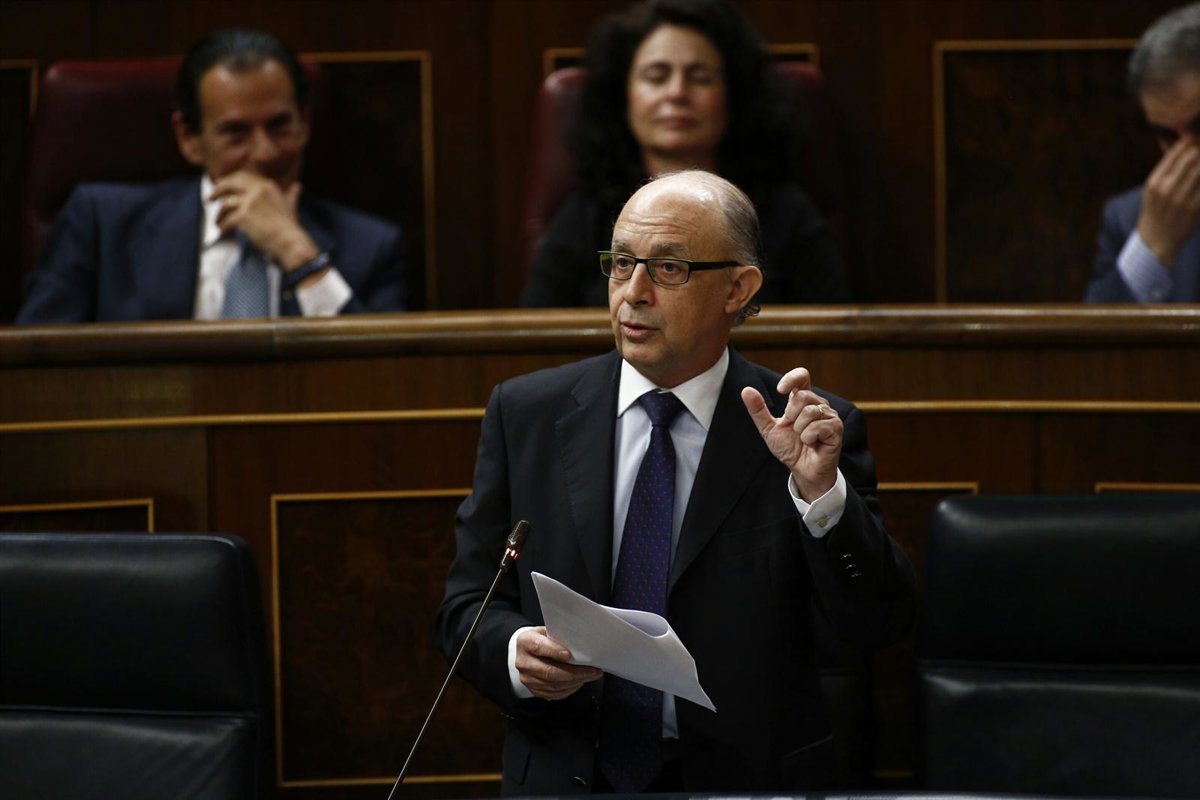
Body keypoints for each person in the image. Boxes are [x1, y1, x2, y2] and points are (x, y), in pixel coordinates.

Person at [437, 170, 914, 794]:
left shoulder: (805, 433)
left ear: (738, 289)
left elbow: (878, 621)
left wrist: (822, 497)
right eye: (621, 264)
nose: (633, 294)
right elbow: (465, 607)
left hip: (743, 782)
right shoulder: (526, 414)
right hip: (566, 773)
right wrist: (514, 651)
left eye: (668, 269)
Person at [16, 28, 407, 324]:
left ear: (304, 123)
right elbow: (34, 374)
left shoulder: (372, 248)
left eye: (280, 126)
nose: (265, 152)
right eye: (236, 133)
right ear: (189, 139)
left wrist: (298, 254)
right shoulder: (102, 226)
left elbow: (386, 380)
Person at [520, 0, 850, 309]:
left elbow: (835, 336)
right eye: (656, 77)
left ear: (733, 98)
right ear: (623, 97)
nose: (677, 92)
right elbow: (535, 336)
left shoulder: (786, 213)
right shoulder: (584, 217)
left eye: (700, 77)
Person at [1087, 2, 1200, 302]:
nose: (1188, 152)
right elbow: (1096, 331)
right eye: (1167, 135)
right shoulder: (1128, 218)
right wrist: (1152, 247)